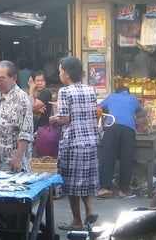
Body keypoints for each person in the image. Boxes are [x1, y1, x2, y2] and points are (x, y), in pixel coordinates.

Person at [0, 60, 34, 229]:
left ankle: (13, 232)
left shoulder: (22, 99)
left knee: (13, 203)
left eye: (2, 78)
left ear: (14, 78)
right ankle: (1, 228)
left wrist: (18, 158)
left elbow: (26, 132)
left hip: (11, 162)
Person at [50, 56, 100, 231]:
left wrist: (53, 118)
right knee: (83, 180)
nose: (60, 74)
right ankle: (89, 209)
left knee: (71, 183)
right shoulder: (91, 90)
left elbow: (65, 119)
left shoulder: (65, 92)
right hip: (91, 142)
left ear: (67, 73)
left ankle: (77, 220)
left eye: (60, 71)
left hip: (73, 142)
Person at [96, 86, 142, 199]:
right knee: (126, 158)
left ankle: (104, 188)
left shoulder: (112, 97)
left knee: (108, 156)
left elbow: (98, 107)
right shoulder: (133, 99)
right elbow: (140, 109)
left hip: (112, 126)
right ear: (127, 92)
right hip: (128, 129)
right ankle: (123, 191)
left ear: (116, 91)